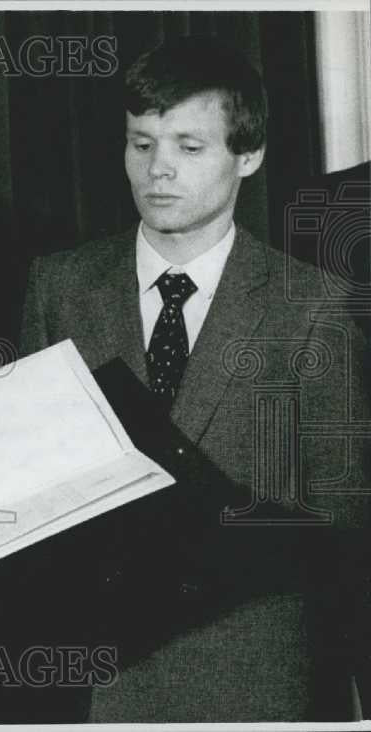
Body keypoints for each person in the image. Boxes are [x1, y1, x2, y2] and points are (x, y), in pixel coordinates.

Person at [20, 36, 370, 721]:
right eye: (141, 143)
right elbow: (28, 480)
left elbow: (345, 521)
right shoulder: (58, 285)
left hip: (258, 681)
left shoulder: (314, 305)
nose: (158, 171)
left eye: (189, 146)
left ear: (249, 156)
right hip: (99, 681)